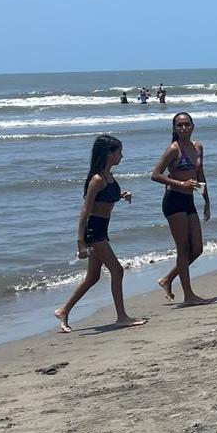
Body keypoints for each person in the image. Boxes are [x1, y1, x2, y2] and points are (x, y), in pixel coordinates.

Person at [54, 135, 147, 333]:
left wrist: (122, 195)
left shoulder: (108, 177)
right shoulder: (97, 179)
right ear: (108, 154)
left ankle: (63, 311)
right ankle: (121, 317)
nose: (122, 156)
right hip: (94, 231)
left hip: (101, 229)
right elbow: (85, 210)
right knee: (117, 270)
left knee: (93, 277)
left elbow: (105, 199)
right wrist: (80, 242)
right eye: (119, 152)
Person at [150, 112, 216, 306]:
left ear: (193, 126)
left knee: (197, 249)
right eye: (180, 125)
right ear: (174, 128)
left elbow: (200, 174)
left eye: (187, 124)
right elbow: (155, 175)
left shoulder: (198, 147)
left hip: (189, 200)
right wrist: (181, 183)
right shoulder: (173, 149)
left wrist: (206, 200)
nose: (184, 128)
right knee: (183, 248)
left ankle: (168, 279)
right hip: (174, 200)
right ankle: (188, 296)